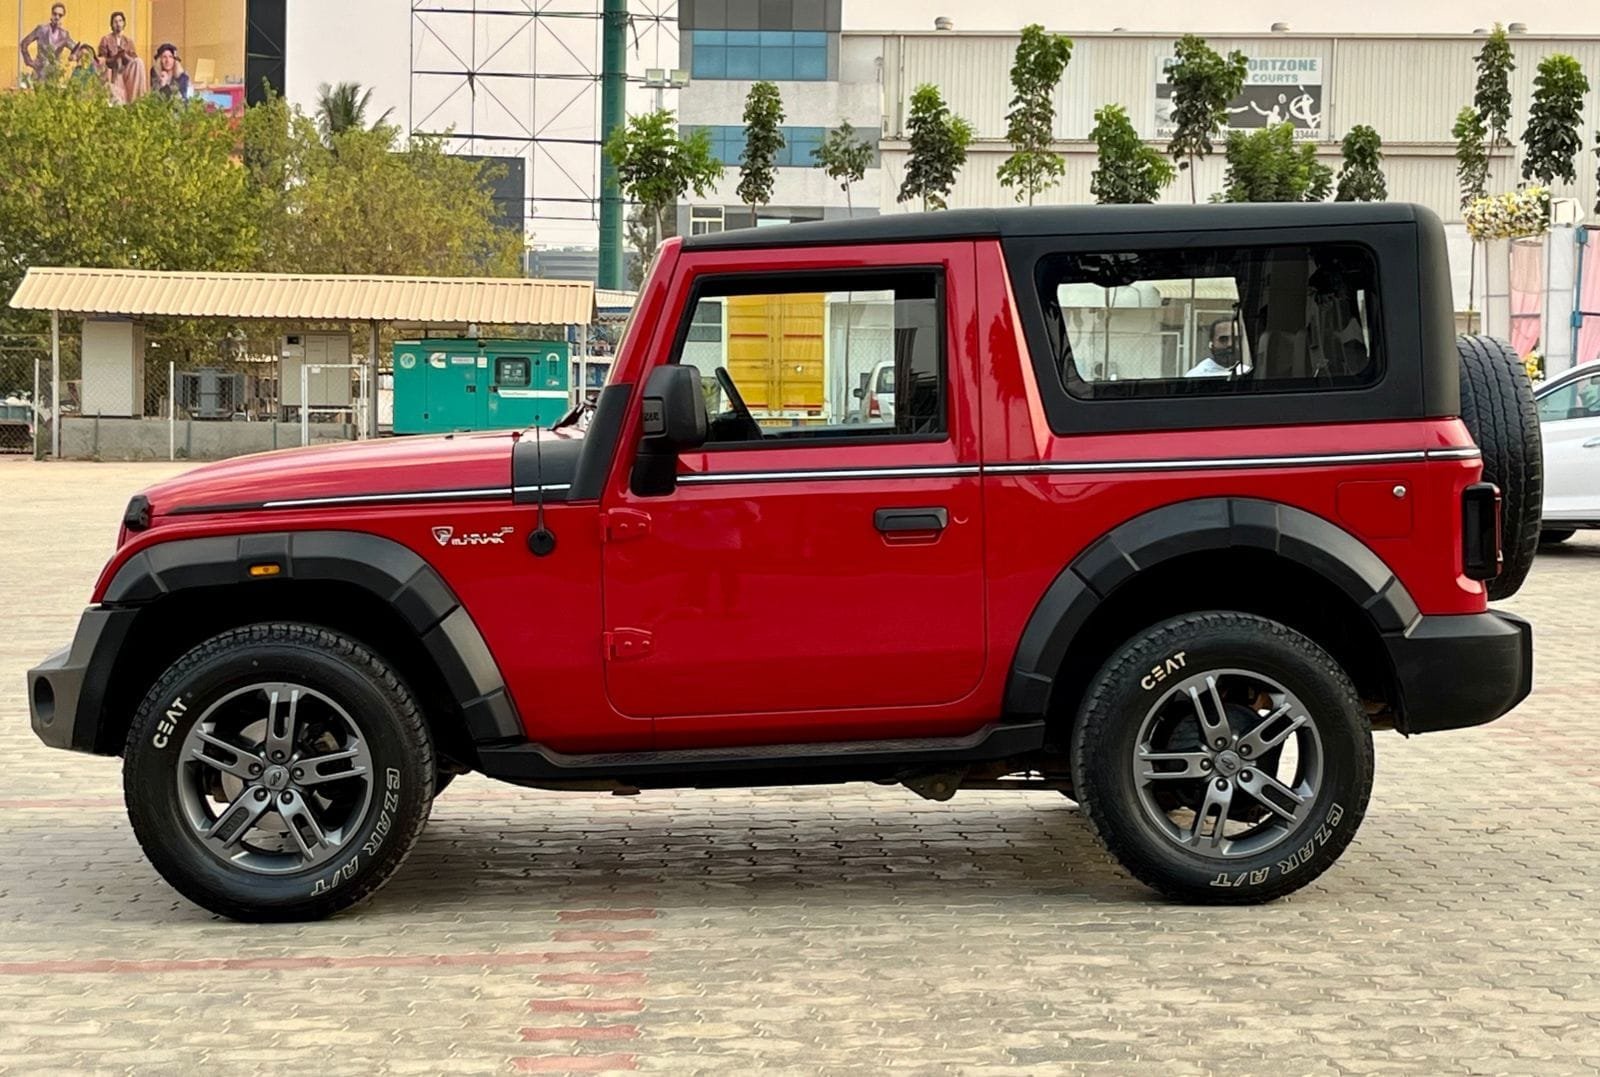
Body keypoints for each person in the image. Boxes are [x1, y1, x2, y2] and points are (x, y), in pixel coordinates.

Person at [18, 3, 77, 84]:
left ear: (62, 17)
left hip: (54, 75)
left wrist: (73, 55)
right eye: (55, 14)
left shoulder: (64, 35)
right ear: (51, 14)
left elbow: (76, 48)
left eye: (60, 15)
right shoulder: (41, 30)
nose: (57, 17)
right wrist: (29, 62)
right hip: (39, 73)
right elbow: (24, 44)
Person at [98, 11, 147, 104]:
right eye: (115, 21)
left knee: (139, 62)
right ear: (112, 24)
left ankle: (138, 99)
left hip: (127, 71)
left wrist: (125, 56)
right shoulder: (106, 39)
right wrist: (116, 57)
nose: (118, 24)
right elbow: (102, 60)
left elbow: (134, 59)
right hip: (113, 71)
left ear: (124, 23)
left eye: (120, 21)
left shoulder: (129, 41)